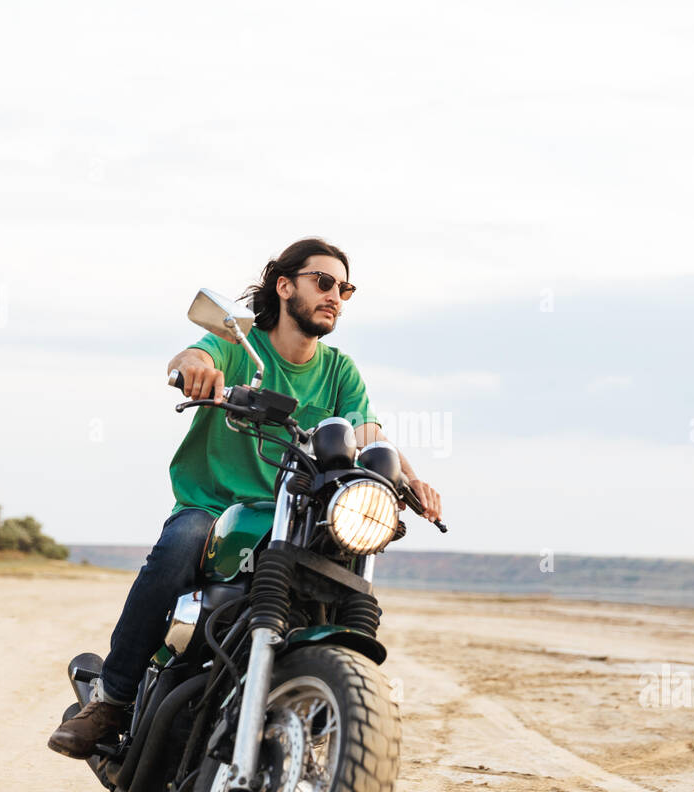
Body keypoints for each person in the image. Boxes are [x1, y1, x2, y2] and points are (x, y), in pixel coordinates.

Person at [48, 237, 443, 758]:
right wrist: (194, 369)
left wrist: (410, 479)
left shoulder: (340, 370)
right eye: (323, 282)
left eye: (344, 288)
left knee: (349, 566)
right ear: (285, 286)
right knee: (177, 549)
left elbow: (370, 433)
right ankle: (112, 700)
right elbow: (191, 352)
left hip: (300, 516)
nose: (335, 296)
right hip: (215, 508)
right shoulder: (240, 345)